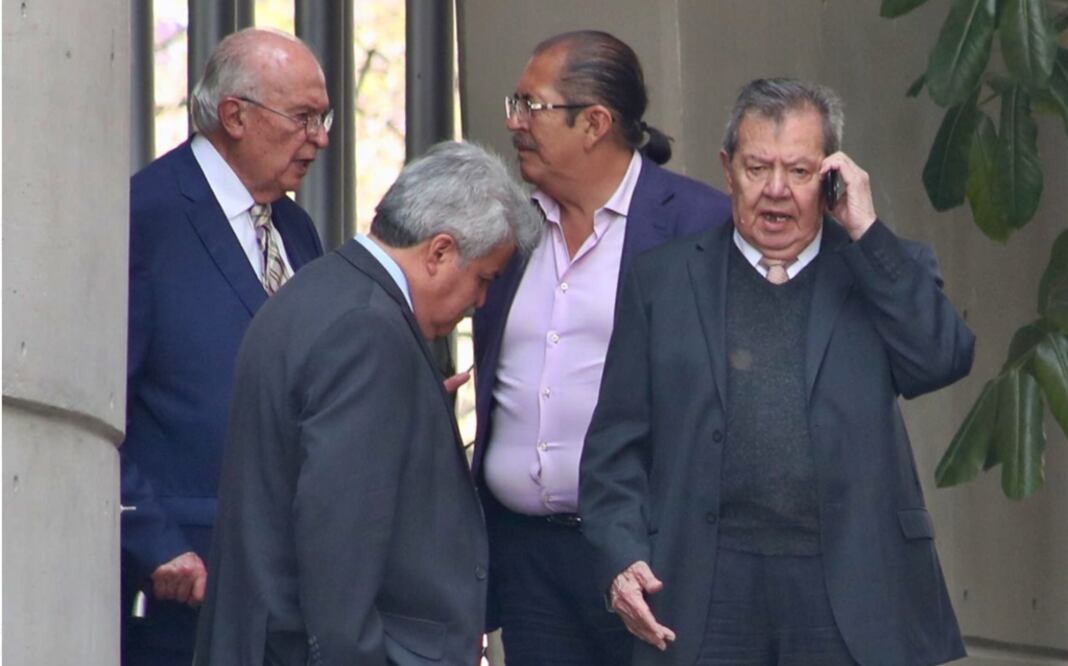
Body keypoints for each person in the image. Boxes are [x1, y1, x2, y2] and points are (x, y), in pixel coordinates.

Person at [579, 77, 975, 666]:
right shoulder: (661, 282)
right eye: (757, 167)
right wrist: (621, 557)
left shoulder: (879, 267)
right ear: (726, 168)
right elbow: (614, 449)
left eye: (799, 171)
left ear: (832, 177)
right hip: (703, 589)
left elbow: (941, 359)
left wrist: (865, 231)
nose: (776, 192)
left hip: (852, 587)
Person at [192, 141, 542, 666]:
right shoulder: (369, 331)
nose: (481, 302)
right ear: (440, 251)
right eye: (484, 278)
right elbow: (340, 539)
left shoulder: (322, 290)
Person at [471, 30, 731, 665]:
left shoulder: (699, 225)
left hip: (649, 558)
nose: (513, 122)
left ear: (594, 123)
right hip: (525, 558)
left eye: (531, 106)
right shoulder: (504, 225)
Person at [121, 27, 329, 665]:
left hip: (288, 589)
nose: (321, 138)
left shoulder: (294, 228)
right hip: (184, 589)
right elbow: (102, 407)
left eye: (323, 118)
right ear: (235, 115)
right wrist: (151, 540)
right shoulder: (143, 219)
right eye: (303, 118)